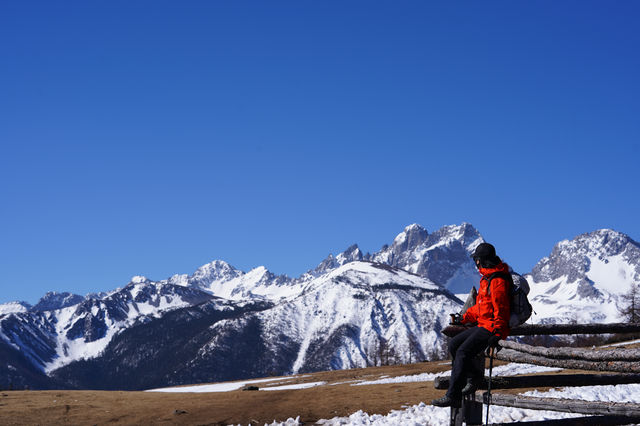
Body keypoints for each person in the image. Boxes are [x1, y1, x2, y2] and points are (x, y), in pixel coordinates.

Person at [431, 242, 511, 408]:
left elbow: (501, 309)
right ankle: (474, 376)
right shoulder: (487, 279)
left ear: (481, 261)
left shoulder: (497, 281)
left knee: (462, 352)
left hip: (491, 328)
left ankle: (453, 396)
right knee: (454, 344)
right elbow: (481, 308)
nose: (475, 263)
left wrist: (498, 333)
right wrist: (463, 318)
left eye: (477, 260)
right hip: (483, 324)